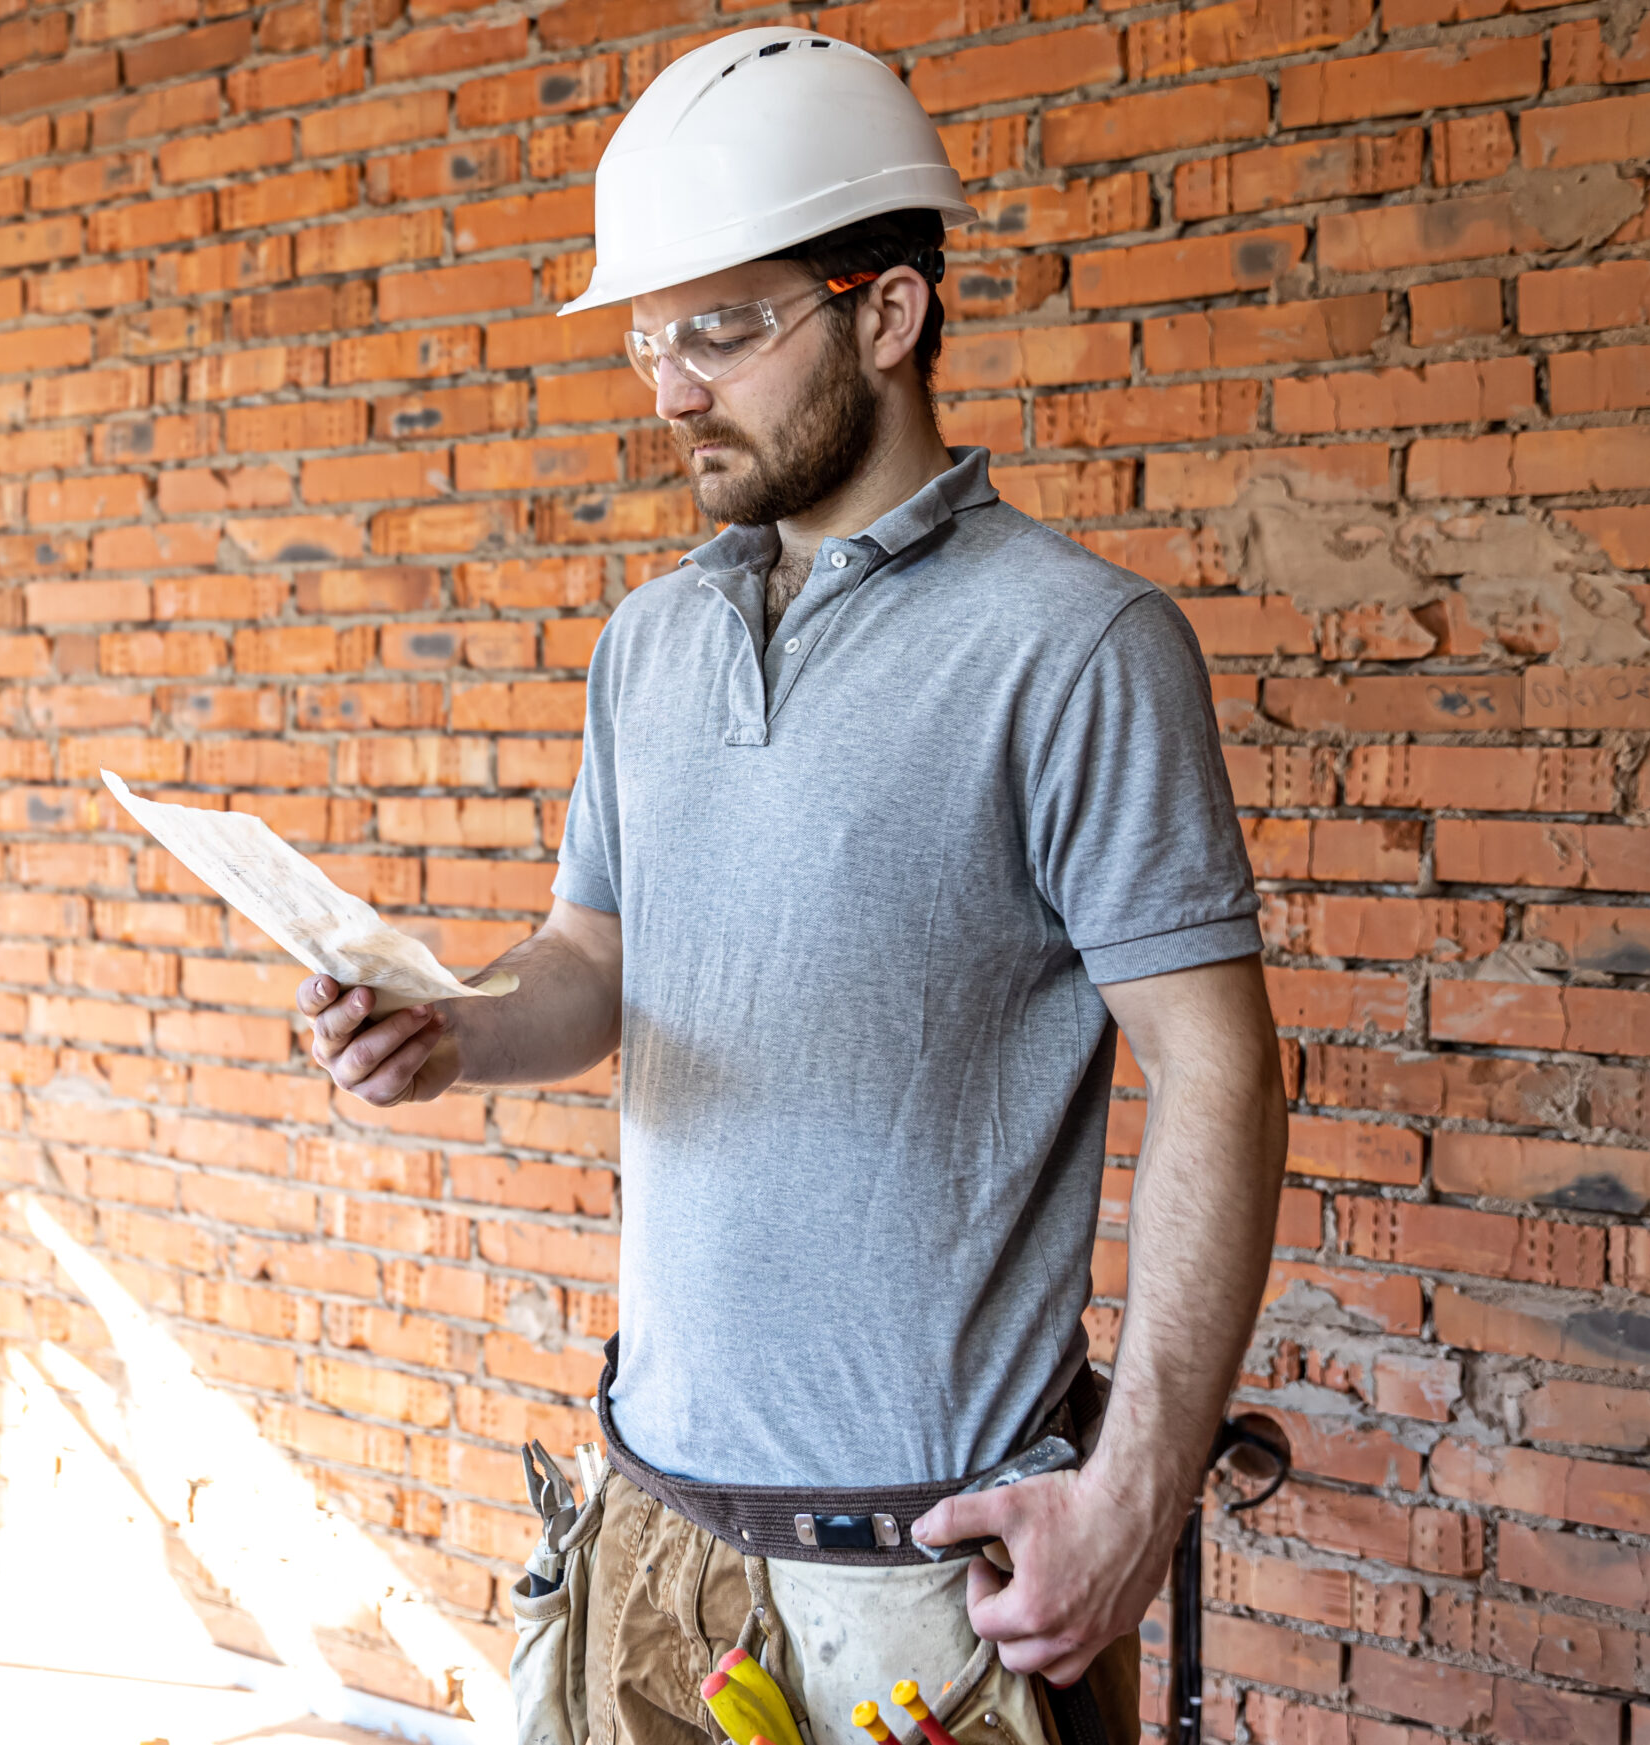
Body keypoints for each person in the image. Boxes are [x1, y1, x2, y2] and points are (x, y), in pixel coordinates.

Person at [298, 25, 1287, 1745]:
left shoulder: (1077, 646)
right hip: (649, 1544)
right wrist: (450, 1028)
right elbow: (593, 964)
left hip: (924, 1589)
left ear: (887, 313)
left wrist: (1133, 1496)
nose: (670, 387)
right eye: (648, 336)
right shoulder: (649, 643)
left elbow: (1219, 1066)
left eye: (722, 329)